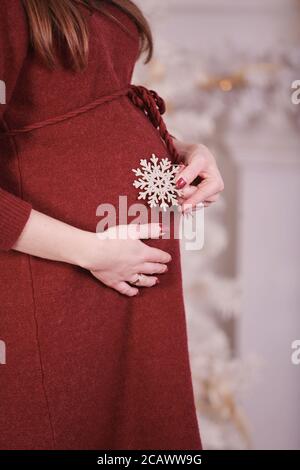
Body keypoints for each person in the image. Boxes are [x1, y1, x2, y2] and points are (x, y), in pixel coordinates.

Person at [0, 0, 224, 450]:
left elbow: (86, 96)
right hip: (57, 278)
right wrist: (90, 251)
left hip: (123, 278)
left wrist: (179, 147)